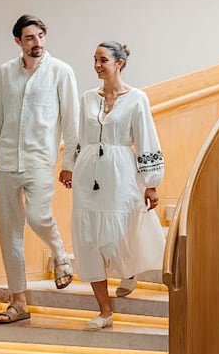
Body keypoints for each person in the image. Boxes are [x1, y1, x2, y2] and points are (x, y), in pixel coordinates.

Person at [0, 14, 80, 324]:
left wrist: (70, 164)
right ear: (18, 42)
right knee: (9, 234)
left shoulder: (61, 72)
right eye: (30, 38)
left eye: (40, 36)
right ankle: (18, 301)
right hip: (7, 162)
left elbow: (72, 123)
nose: (37, 43)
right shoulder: (5, 73)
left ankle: (60, 253)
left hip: (40, 160)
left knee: (38, 216)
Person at [61, 41, 165, 331]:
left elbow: (146, 138)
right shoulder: (86, 98)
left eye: (103, 60)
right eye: (94, 59)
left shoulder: (137, 99)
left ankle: (129, 270)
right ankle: (104, 311)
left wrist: (151, 182)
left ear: (118, 63)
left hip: (121, 172)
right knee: (90, 238)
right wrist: (69, 165)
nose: (96, 65)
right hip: (87, 174)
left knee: (121, 231)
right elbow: (77, 136)